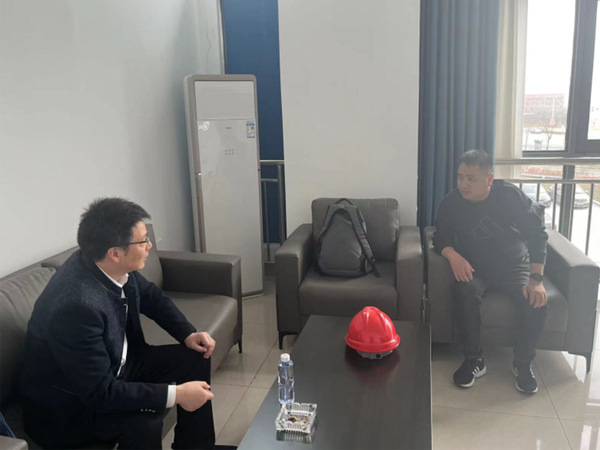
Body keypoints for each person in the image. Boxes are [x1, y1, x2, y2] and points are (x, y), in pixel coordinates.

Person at [21, 198, 236, 449]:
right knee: (145, 422)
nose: (150, 245)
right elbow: (100, 393)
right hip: (71, 409)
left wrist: (187, 333)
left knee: (195, 356)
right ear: (115, 253)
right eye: (143, 241)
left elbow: (151, 297)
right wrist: (177, 395)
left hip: (119, 365)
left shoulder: (108, 265)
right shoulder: (76, 307)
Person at [433, 150, 548, 394]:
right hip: (475, 267)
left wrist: (537, 279)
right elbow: (439, 237)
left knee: (536, 300)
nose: (464, 184)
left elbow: (537, 234)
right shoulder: (451, 203)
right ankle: (474, 359)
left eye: (471, 179)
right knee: (464, 291)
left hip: (514, 264)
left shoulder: (509, 196)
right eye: (460, 177)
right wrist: (453, 255)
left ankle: (522, 363)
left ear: (489, 179)